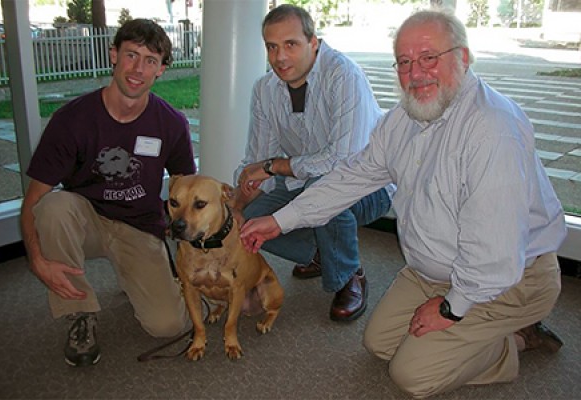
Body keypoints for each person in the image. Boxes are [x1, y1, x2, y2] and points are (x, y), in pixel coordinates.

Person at [240, 8, 567, 398]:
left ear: (463, 57)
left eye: (430, 58)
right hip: (433, 271)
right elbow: (353, 176)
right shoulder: (405, 118)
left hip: (507, 278)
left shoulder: (492, 131)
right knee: (378, 344)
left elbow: (493, 254)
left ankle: (513, 340)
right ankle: (477, 331)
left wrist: (451, 308)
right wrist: (280, 220)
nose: (416, 73)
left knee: (411, 374)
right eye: (405, 62)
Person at [20, 19, 196, 367]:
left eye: (150, 60)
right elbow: (33, 203)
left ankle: (147, 279)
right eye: (131, 55)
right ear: (113, 55)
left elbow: (185, 192)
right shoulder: (71, 119)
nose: (137, 69)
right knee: (53, 208)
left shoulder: (171, 124)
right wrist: (37, 261)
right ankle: (80, 314)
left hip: (140, 227)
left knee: (168, 325)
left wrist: (195, 261)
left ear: (161, 69)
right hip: (85, 222)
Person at [233, 4, 396, 322]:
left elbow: (343, 161)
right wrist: (238, 204)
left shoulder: (343, 75)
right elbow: (257, 161)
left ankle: (349, 275)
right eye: (272, 47)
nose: (280, 57)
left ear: (314, 43)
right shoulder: (265, 90)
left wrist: (275, 167)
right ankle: (324, 254)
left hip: (368, 187)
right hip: (302, 182)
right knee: (251, 220)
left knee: (322, 186)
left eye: (290, 44)